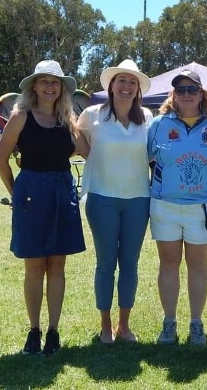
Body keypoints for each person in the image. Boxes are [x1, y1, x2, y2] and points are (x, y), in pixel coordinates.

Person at [0, 60, 88, 356]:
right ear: (34, 86)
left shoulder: (68, 119)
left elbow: (90, 151)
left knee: (57, 264)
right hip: (31, 193)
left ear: (61, 88)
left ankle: (53, 332)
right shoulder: (21, 116)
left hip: (62, 192)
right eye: (44, 81)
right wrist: (16, 193)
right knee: (34, 265)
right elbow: (0, 158)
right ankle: (34, 331)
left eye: (55, 82)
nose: (50, 86)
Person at [77, 59, 153, 344]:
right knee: (105, 263)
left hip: (138, 201)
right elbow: (75, 135)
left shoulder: (147, 117)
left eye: (132, 82)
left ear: (137, 90)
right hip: (101, 198)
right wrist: (93, 158)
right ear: (111, 85)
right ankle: (105, 326)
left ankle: (125, 325)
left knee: (130, 264)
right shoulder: (92, 114)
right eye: (121, 80)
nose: (127, 86)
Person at [147, 68, 207, 345]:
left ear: (202, 93)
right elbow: (144, 158)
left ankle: (196, 323)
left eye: (192, 89)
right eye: (181, 90)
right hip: (164, 206)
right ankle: (169, 323)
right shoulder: (158, 125)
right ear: (174, 94)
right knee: (168, 264)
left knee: (198, 265)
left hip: (201, 207)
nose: (187, 95)